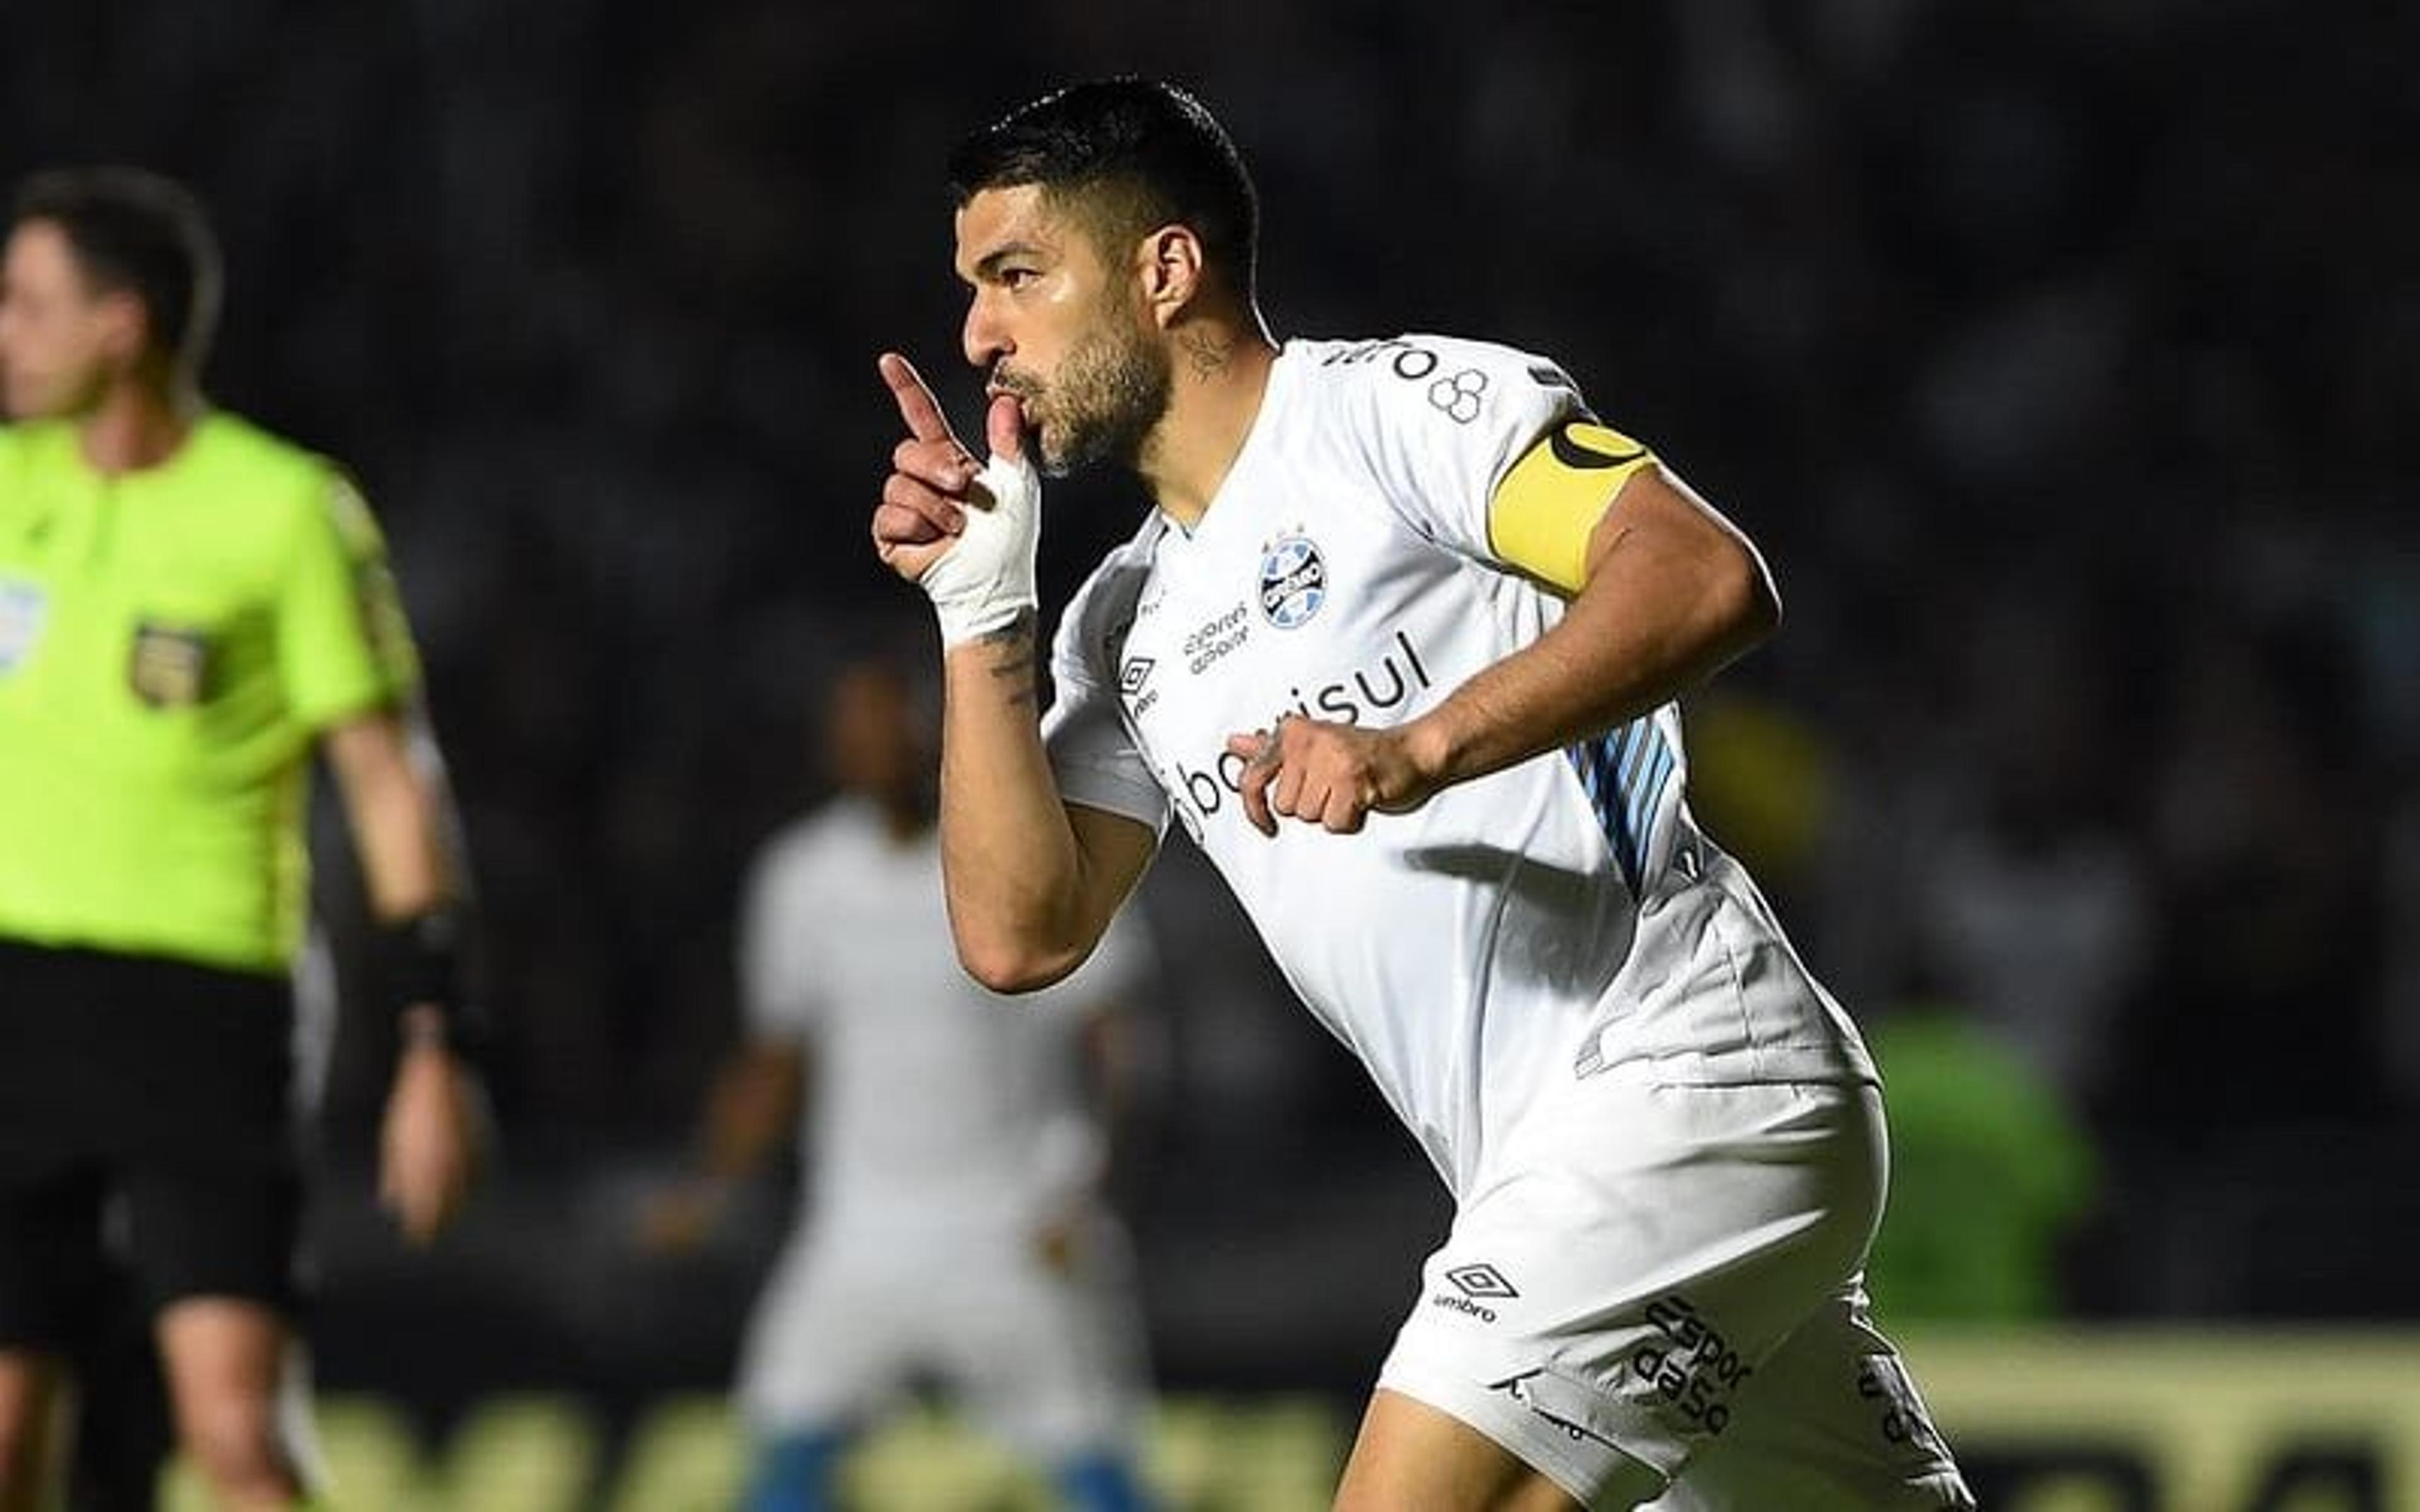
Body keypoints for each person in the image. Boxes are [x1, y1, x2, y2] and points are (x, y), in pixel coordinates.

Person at [867, 79, 1974, 1511]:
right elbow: (1023, 933)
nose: (979, 336)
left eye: (1016, 276)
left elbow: (1703, 574)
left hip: (1681, 1079)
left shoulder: (1394, 413)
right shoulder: (1124, 623)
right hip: (1591, 1160)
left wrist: (1419, 745)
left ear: (1165, 270)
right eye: (970, 290)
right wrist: (978, 615)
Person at [0, 168, 483, 1509]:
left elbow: (390, 782)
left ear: (121, 326)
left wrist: (435, 1042)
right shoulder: (5, 485)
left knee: (234, 1440)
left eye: (28, 304)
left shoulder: (279, 510)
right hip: (16, 1005)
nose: (2, 333)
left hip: (200, 1011)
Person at [645, 651, 1159, 1512]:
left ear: (935, 727)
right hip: (857, 1236)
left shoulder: (1029, 846)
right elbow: (778, 1061)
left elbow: (1118, 1049)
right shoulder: (803, 880)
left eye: (891, 724)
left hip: (1015, 1234)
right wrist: (708, 1184)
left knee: (1098, 1474)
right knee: (782, 1462)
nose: (873, 746)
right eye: (854, 730)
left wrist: (1084, 1188)